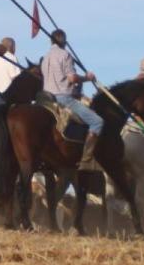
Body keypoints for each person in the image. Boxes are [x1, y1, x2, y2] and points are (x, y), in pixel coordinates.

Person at [41, 29, 102, 170]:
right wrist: (88, 78)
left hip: (46, 98)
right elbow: (73, 78)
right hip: (63, 98)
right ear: (63, 40)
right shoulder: (65, 55)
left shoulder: (45, 57)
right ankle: (86, 159)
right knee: (97, 122)